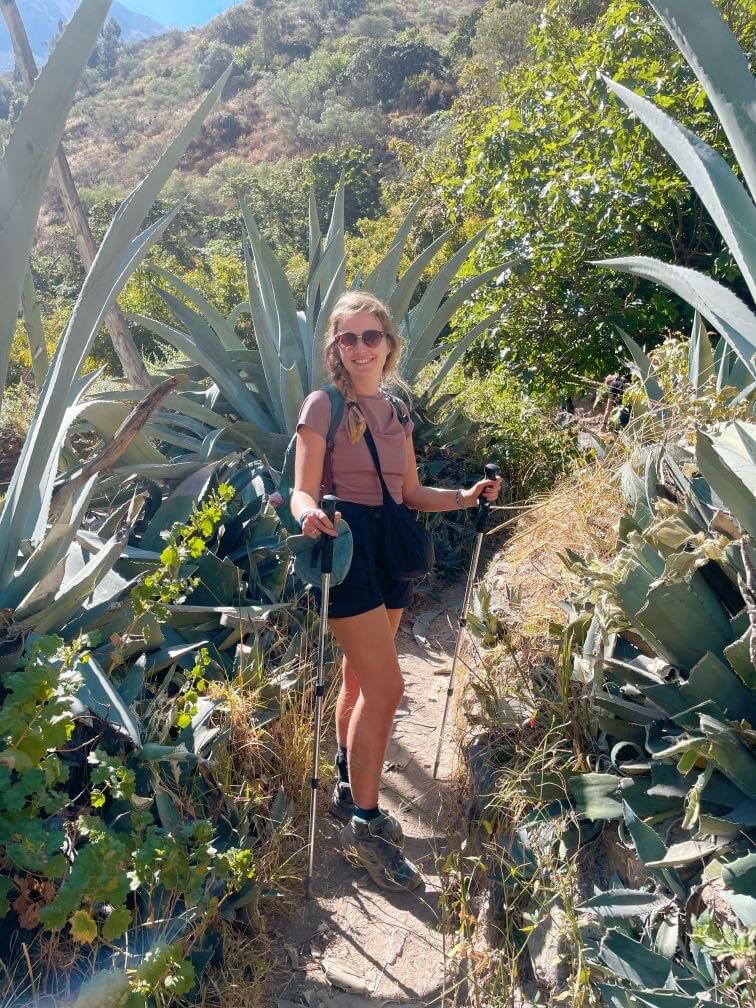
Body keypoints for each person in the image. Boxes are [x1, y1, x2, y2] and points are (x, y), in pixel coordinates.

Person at [290, 291, 502, 892]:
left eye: (371, 336)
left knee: (360, 681)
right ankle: (365, 818)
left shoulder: (397, 412)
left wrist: (463, 497)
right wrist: (309, 516)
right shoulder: (322, 405)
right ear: (337, 347)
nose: (361, 348)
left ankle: (344, 778)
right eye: (348, 338)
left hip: (391, 547)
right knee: (388, 685)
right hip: (346, 543)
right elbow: (302, 488)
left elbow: (409, 491)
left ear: (389, 344)